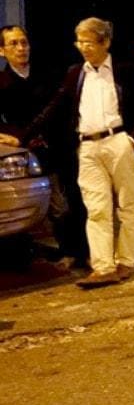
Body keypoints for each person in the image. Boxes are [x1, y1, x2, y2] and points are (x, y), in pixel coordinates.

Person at [1, 17, 134, 288]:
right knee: (96, 208)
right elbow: (53, 108)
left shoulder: (124, 71)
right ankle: (103, 266)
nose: (83, 47)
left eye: (89, 42)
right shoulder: (75, 73)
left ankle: (126, 261)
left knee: (127, 206)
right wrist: (22, 137)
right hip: (88, 146)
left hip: (118, 141)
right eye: (79, 42)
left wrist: (132, 140)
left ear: (105, 42)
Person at [0, 25, 89, 270]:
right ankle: (69, 251)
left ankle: (86, 252)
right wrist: (14, 137)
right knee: (57, 205)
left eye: (24, 42)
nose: (21, 48)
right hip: (33, 151)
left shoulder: (47, 75)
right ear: (2, 51)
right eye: (14, 44)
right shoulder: (3, 83)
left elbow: (61, 107)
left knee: (78, 199)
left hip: (62, 144)